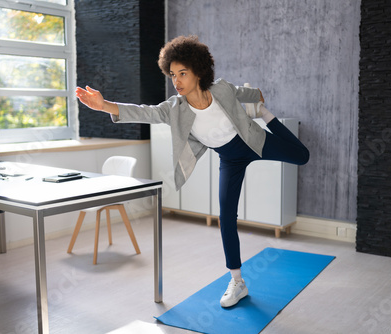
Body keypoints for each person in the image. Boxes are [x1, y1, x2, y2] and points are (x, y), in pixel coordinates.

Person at [76, 35, 309, 308]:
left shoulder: (221, 89)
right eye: (173, 75)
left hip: (253, 141)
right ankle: (237, 282)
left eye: (183, 73)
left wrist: (258, 101)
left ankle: (264, 115)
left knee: (302, 156)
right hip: (230, 159)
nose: (177, 81)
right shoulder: (174, 109)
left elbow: (247, 93)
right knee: (226, 217)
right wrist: (104, 106)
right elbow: (144, 112)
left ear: (198, 71)